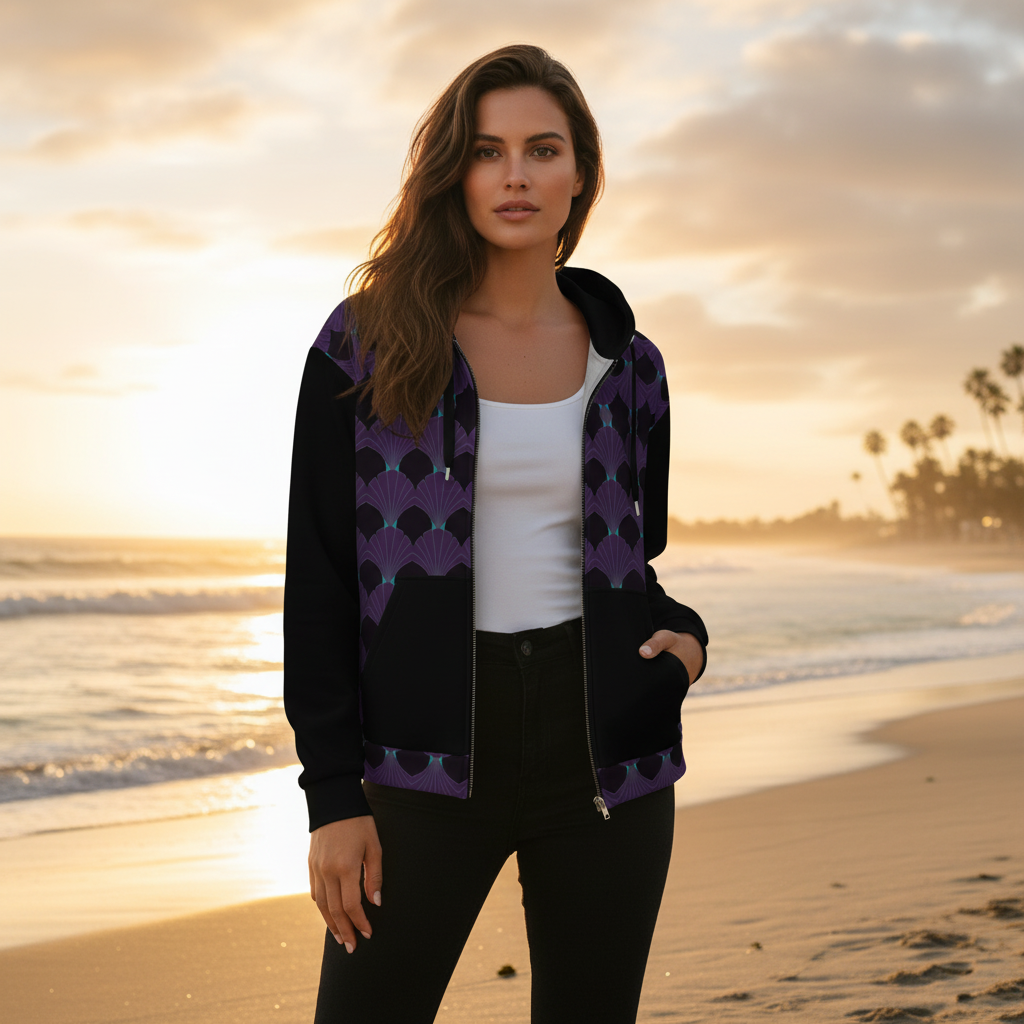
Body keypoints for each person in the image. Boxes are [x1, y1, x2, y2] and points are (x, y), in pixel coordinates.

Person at [284, 43, 708, 1023]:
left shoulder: (632, 365)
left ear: (579, 174)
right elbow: (320, 576)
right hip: (417, 765)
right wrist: (333, 795)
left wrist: (685, 639)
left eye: (542, 149)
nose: (515, 174)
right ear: (455, 173)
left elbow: (631, 562)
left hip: (609, 761)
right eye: (487, 151)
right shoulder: (366, 344)